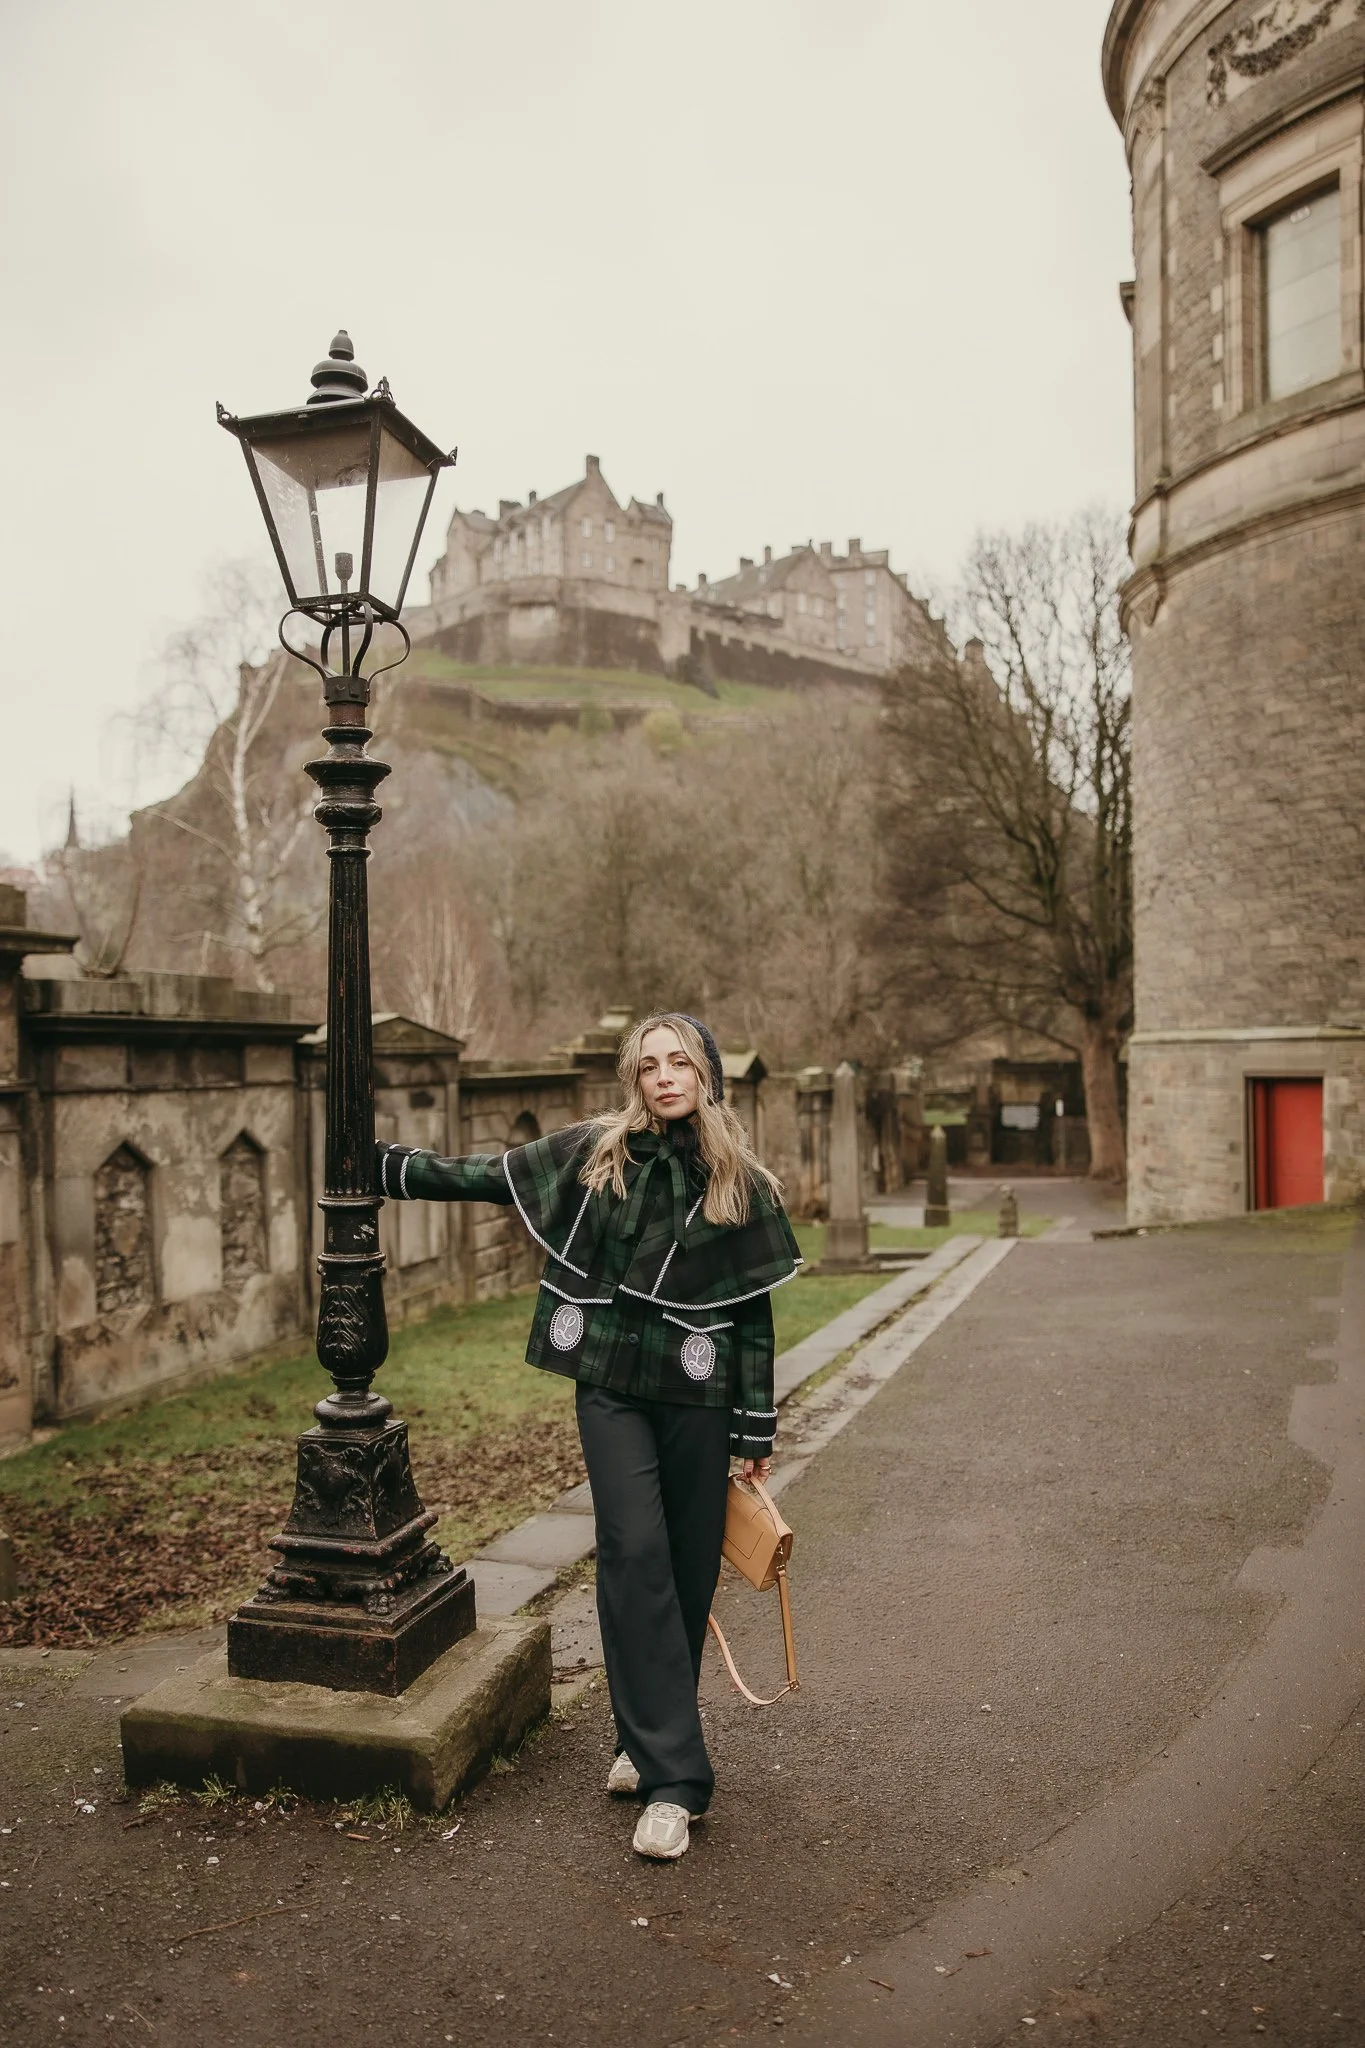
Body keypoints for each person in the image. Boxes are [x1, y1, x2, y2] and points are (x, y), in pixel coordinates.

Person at [375, 1012, 801, 1860]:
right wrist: (392, 1169)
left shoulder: (742, 1186)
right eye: (648, 1066)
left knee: (685, 1572)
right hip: (610, 1388)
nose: (664, 1077)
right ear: (633, 1079)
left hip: (697, 1395)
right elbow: (491, 1176)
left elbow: (751, 1314)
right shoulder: (597, 1152)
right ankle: (676, 1784)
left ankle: (641, 1738)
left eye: (679, 1063)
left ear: (706, 1075)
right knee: (634, 1553)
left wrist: (755, 1423)